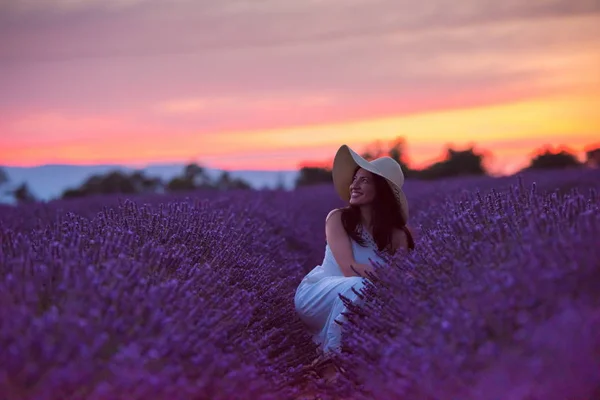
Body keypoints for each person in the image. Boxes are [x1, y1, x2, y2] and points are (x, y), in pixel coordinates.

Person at [294, 144, 415, 381]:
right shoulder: (338, 218)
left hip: (358, 304)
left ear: (382, 191)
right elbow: (349, 268)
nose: (354, 185)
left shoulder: (398, 236)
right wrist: (392, 277)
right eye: (354, 179)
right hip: (319, 295)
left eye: (364, 181)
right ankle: (330, 361)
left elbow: (403, 284)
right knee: (360, 284)